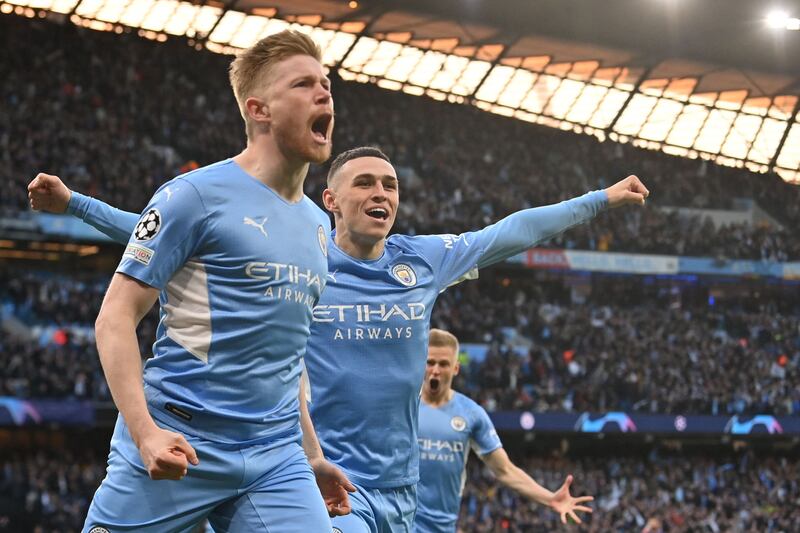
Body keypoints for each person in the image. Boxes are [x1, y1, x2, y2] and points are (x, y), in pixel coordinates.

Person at [30, 146, 649, 533]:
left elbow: (512, 232)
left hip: (403, 495)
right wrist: (76, 203)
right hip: (327, 486)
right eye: (366, 184)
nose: (382, 194)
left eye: (391, 185)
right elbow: (161, 237)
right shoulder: (300, 254)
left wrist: (601, 200)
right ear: (330, 199)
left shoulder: (424, 261)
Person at [31, 29, 354, 533]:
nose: (324, 93)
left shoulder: (317, 225)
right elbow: (115, 316)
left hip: (274, 457)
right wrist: (146, 435)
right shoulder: (194, 196)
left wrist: (311, 455)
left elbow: (286, 359)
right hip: (179, 439)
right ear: (259, 109)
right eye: (303, 84)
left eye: (327, 83)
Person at [415, 329, 594, 532]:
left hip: (442, 527)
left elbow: (505, 470)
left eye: (443, 364)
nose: (435, 370)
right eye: (430, 362)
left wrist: (549, 498)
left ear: (456, 368)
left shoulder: (471, 414)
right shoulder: (402, 408)